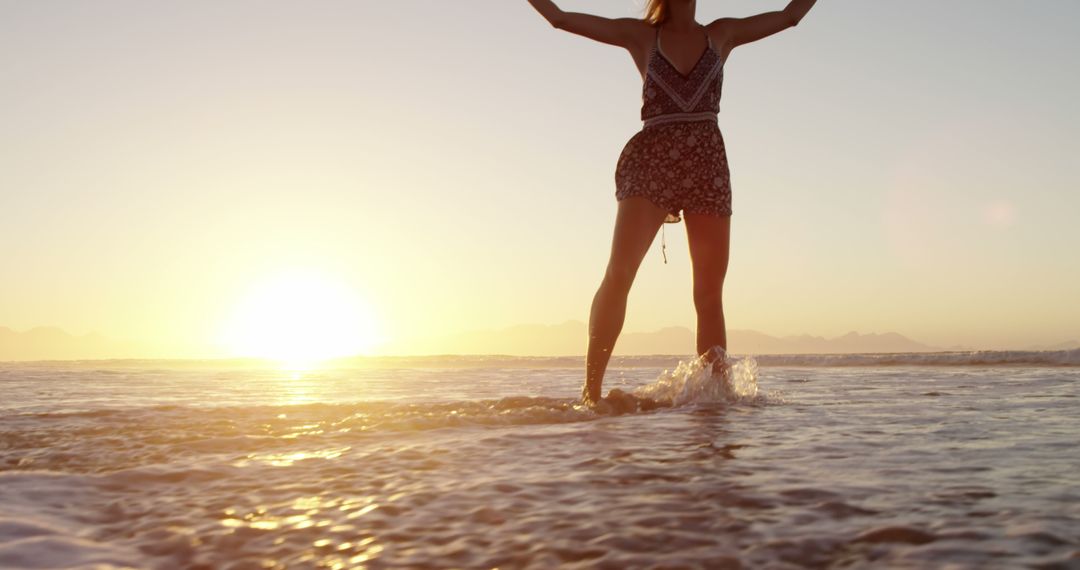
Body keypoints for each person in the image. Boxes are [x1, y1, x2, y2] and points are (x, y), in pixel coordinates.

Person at [526, 0, 818, 405]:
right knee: (620, 273)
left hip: (707, 167)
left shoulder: (722, 34)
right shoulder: (642, 37)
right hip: (651, 164)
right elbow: (560, 18)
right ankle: (590, 395)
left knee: (709, 292)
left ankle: (714, 399)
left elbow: (790, 16)